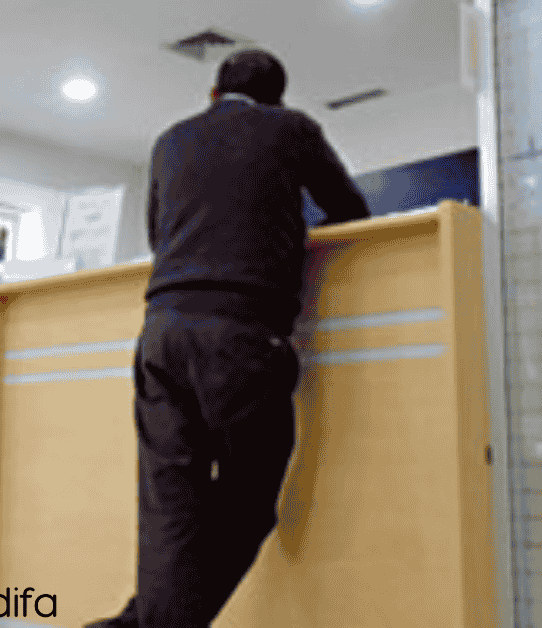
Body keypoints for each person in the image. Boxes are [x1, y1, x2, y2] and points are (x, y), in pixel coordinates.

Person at [87, 49, 370, 628]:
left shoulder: (169, 141)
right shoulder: (291, 129)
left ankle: (139, 623)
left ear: (213, 94)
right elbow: (349, 209)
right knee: (248, 500)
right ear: (277, 101)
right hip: (242, 335)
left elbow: (160, 236)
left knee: (169, 507)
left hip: (161, 332)